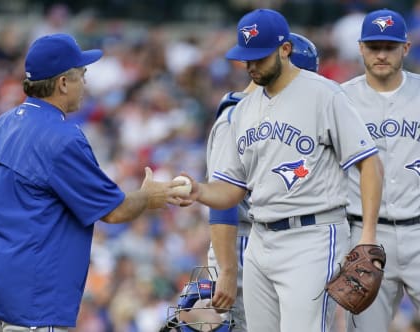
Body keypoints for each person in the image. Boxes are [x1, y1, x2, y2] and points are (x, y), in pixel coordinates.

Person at [0, 33, 186, 332]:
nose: (85, 83)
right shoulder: (61, 137)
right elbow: (114, 212)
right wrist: (148, 197)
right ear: (63, 83)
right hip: (32, 304)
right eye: (82, 75)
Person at [178, 8, 384, 332]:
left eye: (259, 57)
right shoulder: (243, 110)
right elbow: (232, 189)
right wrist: (199, 191)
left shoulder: (324, 94)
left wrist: (368, 236)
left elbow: (369, 162)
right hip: (261, 239)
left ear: (284, 49)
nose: (251, 66)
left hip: (313, 236)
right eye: (246, 58)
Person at [206, 32, 320, 332]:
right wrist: (228, 269)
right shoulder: (236, 117)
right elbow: (222, 201)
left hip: (270, 243)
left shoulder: (272, 116)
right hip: (241, 245)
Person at [342, 9, 420, 332]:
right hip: (364, 235)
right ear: (361, 47)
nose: (381, 54)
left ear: (406, 47)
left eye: (390, 46)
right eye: (374, 46)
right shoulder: (340, 98)